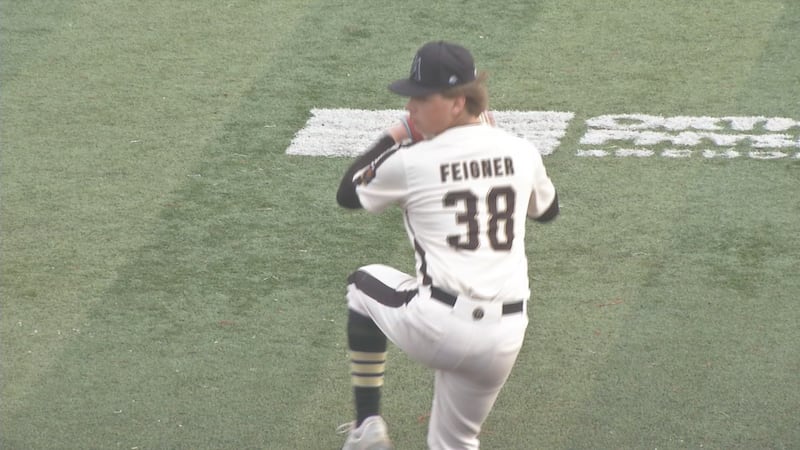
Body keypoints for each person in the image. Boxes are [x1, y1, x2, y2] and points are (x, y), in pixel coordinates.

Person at [335, 40, 559, 450]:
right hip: (505, 338)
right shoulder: (521, 150)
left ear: (458, 102)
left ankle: (367, 427)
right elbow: (547, 211)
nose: (410, 108)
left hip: (439, 326)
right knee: (455, 443)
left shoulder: (414, 161)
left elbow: (348, 194)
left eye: (421, 98)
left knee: (361, 286)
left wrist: (396, 135)